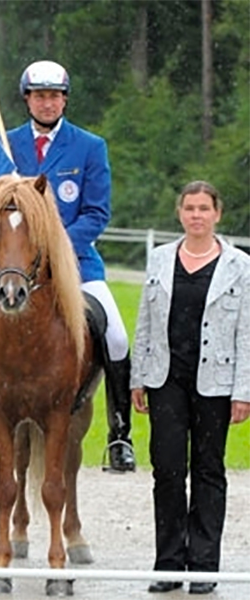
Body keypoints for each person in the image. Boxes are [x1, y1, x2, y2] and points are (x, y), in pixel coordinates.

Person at [0, 60, 136, 473]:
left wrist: (55, 249)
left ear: (65, 99)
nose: (48, 103)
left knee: (115, 337)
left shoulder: (89, 147)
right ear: (27, 99)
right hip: (12, 267)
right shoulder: (3, 148)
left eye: (55, 95)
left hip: (78, 265)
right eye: (39, 95)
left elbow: (97, 213)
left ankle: (120, 434)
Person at [130, 181, 250, 595]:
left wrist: (243, 390)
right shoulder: (160, 260)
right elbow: (144, 322)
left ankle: (203, 564)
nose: (196, 215)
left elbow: (247, 331)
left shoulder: (239, 265)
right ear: (180, 213)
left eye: (204, 208)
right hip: (166, 379)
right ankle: (167, 562)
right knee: (166, 469)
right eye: (190, 208)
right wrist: (137, 377)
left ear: (217, 214)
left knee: (208, 469)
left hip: (215, 382)